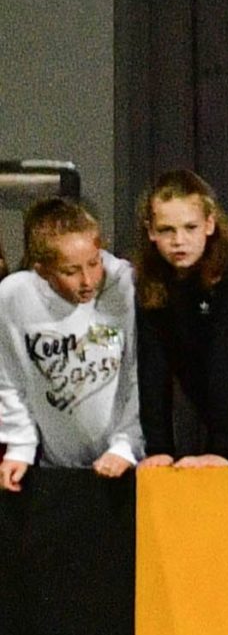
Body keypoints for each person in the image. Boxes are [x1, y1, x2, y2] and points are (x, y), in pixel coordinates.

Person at [0, 199, 142, 487]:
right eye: (70, 271)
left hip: (129, 462)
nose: (88, 280)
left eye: (94, 263)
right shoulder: (14, 296)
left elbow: (140, 375)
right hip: (57, 467)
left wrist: (126, 444)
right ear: (42, 270)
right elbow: (10, 378)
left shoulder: (126, 285)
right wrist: (20, 446)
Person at [132, 171, 228, 467]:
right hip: (215, 409)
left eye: (190, 227)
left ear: (209, 224)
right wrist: (159, 448)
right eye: (166, 230)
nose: (179, 241)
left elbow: (226, 362)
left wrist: (223, 448)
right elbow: (153, 367)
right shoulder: (151, 278)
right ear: (150, 231)